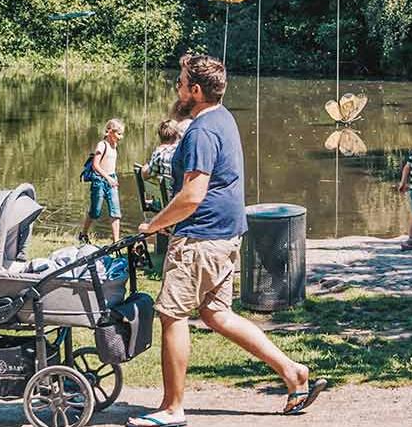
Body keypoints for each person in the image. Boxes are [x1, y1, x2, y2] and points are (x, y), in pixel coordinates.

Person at [133, 54, 325, 427]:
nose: (177, 86)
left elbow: (192, 195)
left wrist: (153, 225)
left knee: (172, 315)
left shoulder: (201, 130)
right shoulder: (223, 118)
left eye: (181, 81)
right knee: (216, 313)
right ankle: (292, 372)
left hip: (201, 239)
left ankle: (172, 409)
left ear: (196, 90)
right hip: (225, 235)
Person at [80, 118, 125, 244]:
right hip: (99, 180)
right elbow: (96, 165)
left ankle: (116, 241)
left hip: (111, 179)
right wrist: (108, 178)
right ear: (110, 132)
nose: (121, 137)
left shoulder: (114, 145)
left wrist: (113, 178)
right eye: (118, 133)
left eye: (121, 134)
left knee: (115, 211)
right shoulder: (102, 145)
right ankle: (83, 234)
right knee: (95, 211)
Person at [141, 119, 182, 187]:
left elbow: (146, 174)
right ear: (178, 135)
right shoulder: (183, 152)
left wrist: (146, 166)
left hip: (167, 195)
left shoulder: (160, 153)